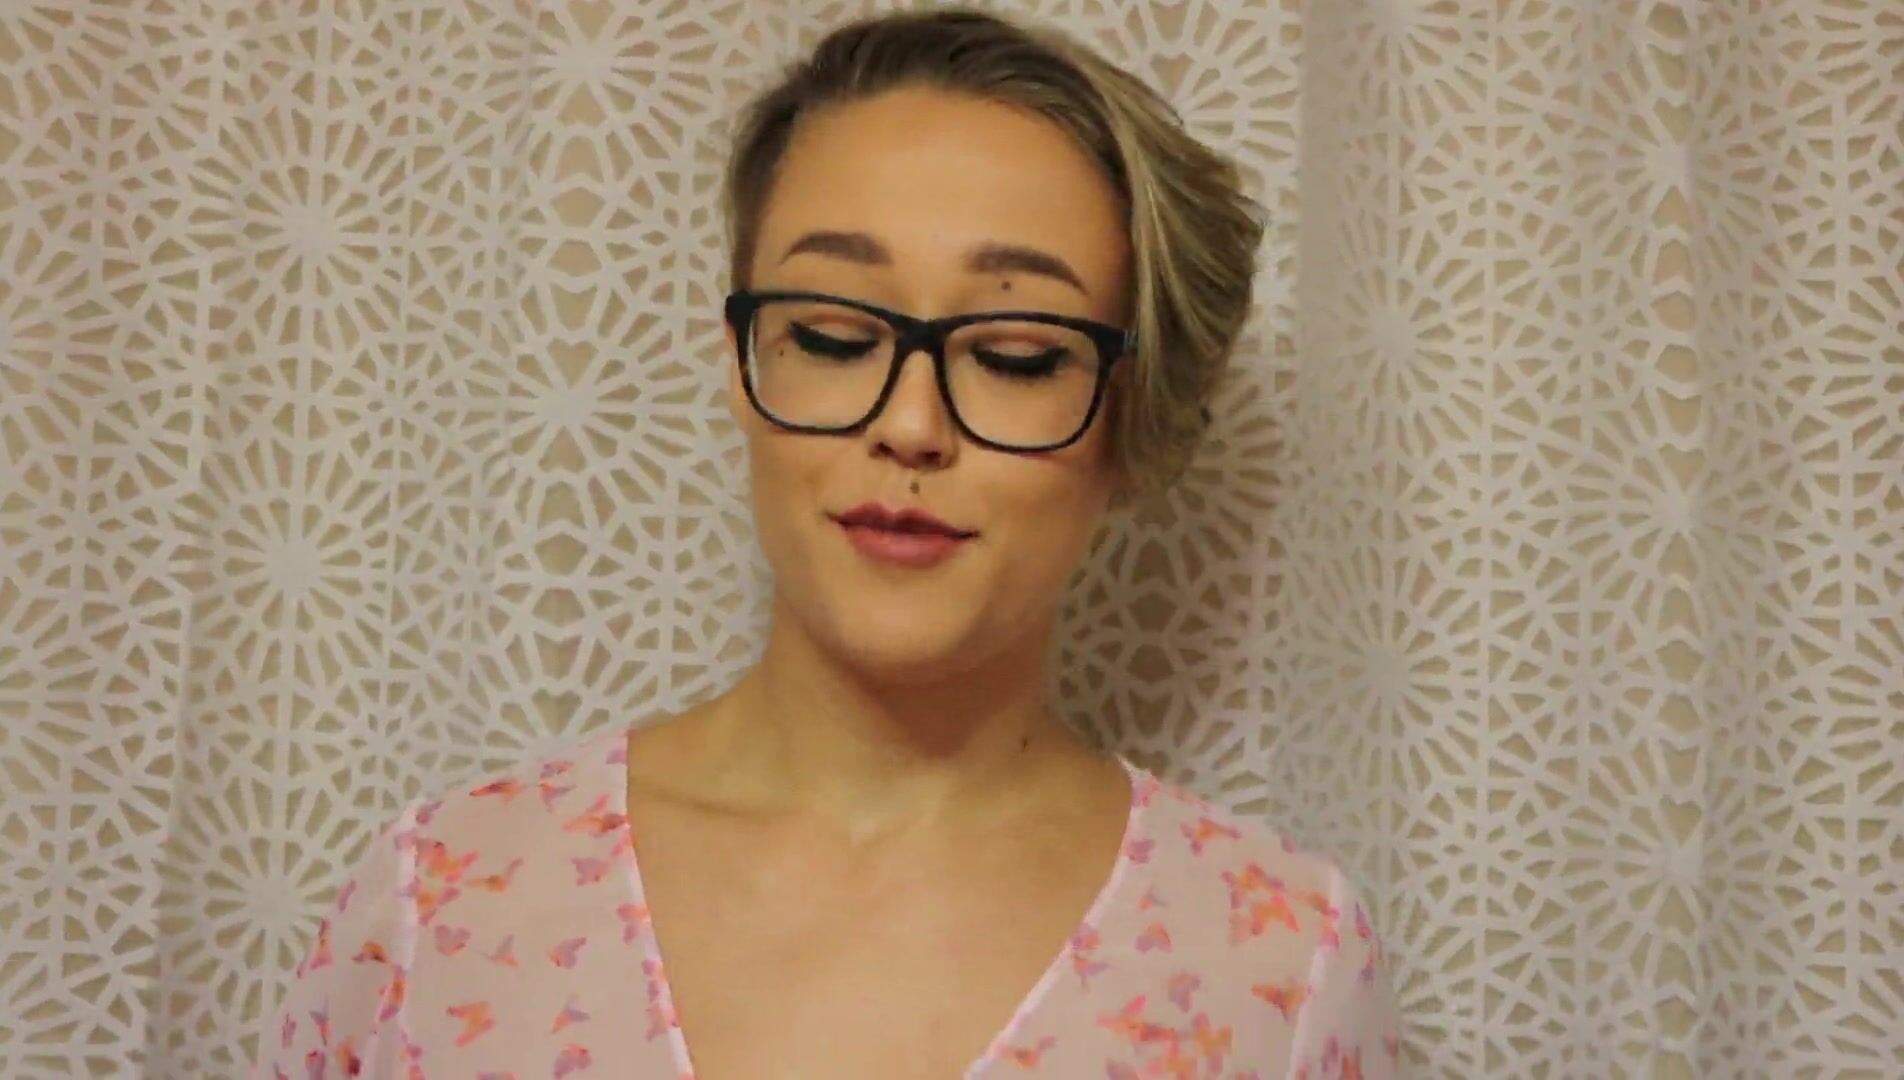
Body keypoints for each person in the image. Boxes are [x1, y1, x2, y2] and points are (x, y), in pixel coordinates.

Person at [251, 9, 1401, 1078]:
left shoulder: (1274, 966)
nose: (911, 424)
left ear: (1132, 419)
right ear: (742, 363)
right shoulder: (442, 907)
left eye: (1016, 356)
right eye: (835, 337)